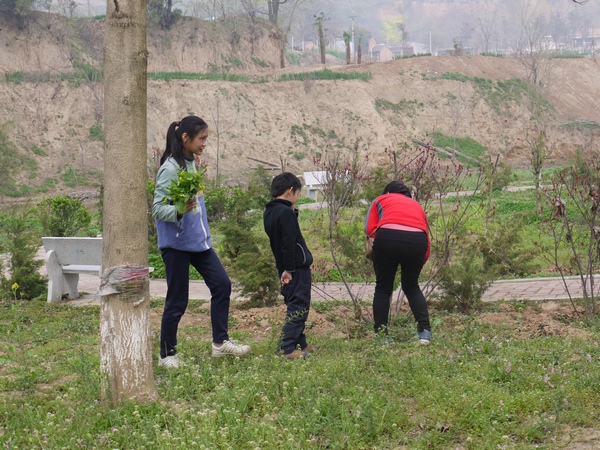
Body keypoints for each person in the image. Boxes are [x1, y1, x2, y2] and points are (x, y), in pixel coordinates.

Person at [152, 115, 250, 368]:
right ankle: (167, 355)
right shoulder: (170, 168)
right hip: (176, 245)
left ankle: (220, 344)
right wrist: (180, 210)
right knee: (177, 299)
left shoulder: (190, 163)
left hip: (197, 242)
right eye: (202, 138)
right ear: (185, 138)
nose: (205, 143)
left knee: (222, 284)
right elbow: (157, 209)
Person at [364, 180, 432, 345]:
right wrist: (420, 260)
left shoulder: (380, 200)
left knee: (383, 288)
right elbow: (426, 235)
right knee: (411, 286)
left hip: (387, 237)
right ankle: (424, 333)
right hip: (418, 241)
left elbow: (369, 228)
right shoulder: (416, 205)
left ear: (387, 193)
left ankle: (382, 336)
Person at [263, 172, 315, 359]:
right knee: (299, 307)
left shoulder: (270, 211)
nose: (297, 198)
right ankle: (286, 349)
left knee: (295, 304)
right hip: (295, 269)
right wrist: (290, 270)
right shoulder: (285, 212)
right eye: (297, 194)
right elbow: (289, 242)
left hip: (284, 267)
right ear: (291, 190)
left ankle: (300, 343)